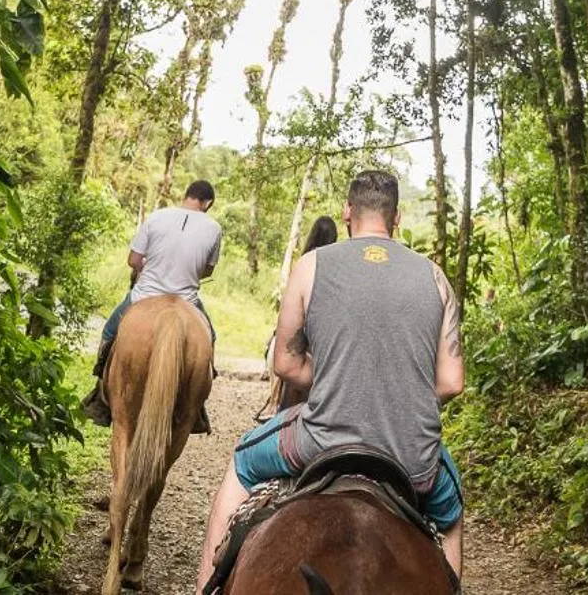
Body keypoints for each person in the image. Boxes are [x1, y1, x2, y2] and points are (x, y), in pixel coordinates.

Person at [196, 170, 465, 591]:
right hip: (412, 454)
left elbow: (285, 364)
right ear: (397, 217)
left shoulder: (312, 265)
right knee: (450, 515)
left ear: (347, 212)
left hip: (320, 439)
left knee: (241, 464)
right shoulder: (435, 278)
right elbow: (451, 383)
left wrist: (334, 377)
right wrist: (400, 390)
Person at [82, 178, 222, 429]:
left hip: (144, 295)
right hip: (187, 300)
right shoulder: (214, 228)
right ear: (207, 202)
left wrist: (150, 266)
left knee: (110, 331)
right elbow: (207, 270)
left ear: (186, 195)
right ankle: (196, 403)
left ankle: (100, 392)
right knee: (209, 336)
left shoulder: (157, 217)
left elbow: (133, 260)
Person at [257, 215, 340, 421]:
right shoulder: (337, 267)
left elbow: (291, 308)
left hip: (303, 327)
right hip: (326, 330)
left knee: (278, 352)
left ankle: (275, 402)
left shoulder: (303, 263)